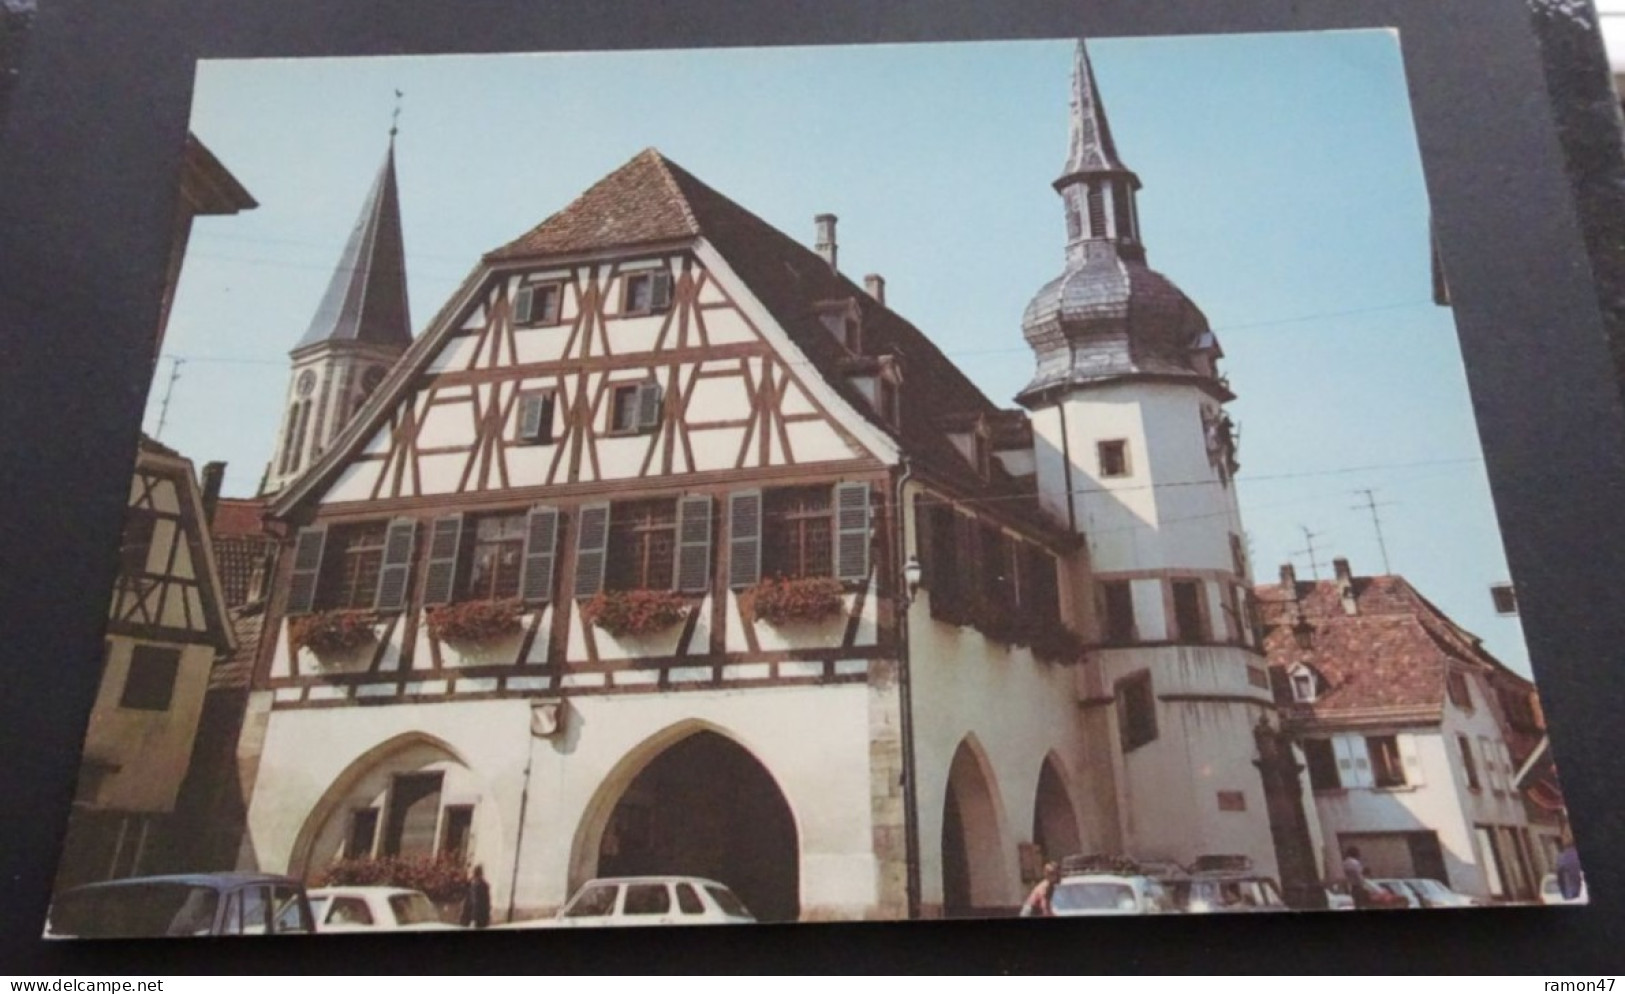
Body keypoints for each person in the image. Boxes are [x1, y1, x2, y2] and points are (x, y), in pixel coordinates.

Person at [462, 864, 492, 929]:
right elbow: (487, 903)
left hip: (477, 917)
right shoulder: (474, 884)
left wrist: (474, 918)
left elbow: (478, 902)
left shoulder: (480, 885)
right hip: (476, 916)